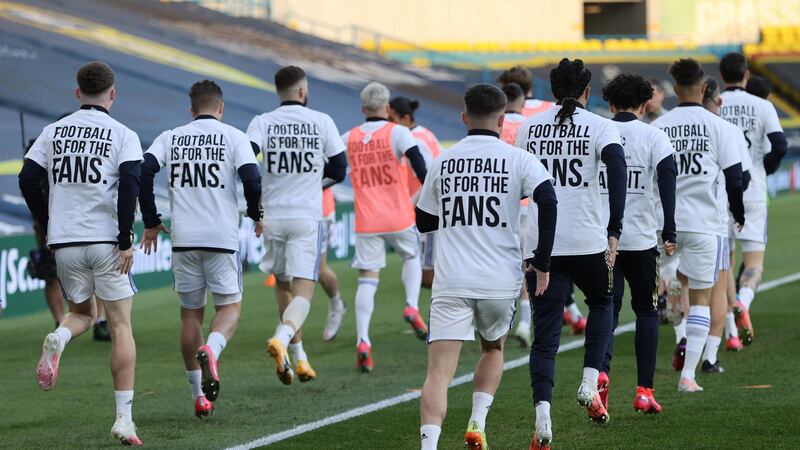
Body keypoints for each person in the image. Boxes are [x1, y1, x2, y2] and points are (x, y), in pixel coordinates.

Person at [416, 83, 556, 450]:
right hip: (499, 281)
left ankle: (428, 446)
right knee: (492, 349)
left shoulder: (443, 161)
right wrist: (541, 259)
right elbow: (548, 197)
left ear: (464, 117)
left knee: (438, 374)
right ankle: (477, 421)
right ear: (502, 118)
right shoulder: (517, 158)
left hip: (452, 281)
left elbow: (423, 221)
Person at [18, 61, 143, 445]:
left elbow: (27, 177)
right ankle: (124, 419)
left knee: (82, 314)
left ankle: (59, 336)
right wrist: (125, 239)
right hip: (105, 241)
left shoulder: (53, 131)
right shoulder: (123, 134)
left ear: (77, 93)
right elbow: (129, 187)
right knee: (120, 325)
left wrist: (49, 220)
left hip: (66, 242)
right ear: (112, 94)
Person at [516, 58, 627, 447]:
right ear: (586, 92)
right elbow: (617, 172)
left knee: (544, 340)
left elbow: (521, 188)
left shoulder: (529, 128)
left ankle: (542, 419)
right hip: (587, 241)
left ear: (550, 91)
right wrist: (614, 231)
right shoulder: (601, 126)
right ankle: (587, 381)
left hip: (542, 246)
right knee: (604, 302)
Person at [138, 80, 263, 417]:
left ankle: (199, 396)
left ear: (191, 109)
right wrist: (256, 214)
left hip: (184, 240)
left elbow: (143, 172)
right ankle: (213, 348)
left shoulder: (171, 137)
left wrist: (150, 220)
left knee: (190, 315)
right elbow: (252, 178)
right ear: (220, 108)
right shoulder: (235, 137)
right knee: (229, 309)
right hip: (221, 238)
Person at [247, 66, 348, 384]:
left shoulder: (262, 122)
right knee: (304, 291)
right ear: (303, 91)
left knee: (283, 286)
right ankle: (282, 336)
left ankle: (300, 355)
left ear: (279, 91)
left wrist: (255, 209)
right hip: (306, 216)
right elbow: (340, 169)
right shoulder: (322, 121)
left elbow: (248, 165)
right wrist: (313, 183)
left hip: (274, 216)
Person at [652, 58, 746, 392]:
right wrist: (739, 213)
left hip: (665, 224)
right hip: (706, 223)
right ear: (704, 88)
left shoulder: (659, 127)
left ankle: (670, 292)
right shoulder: (721, 128)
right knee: (703, 298)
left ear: (675, 89)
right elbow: (735, 179)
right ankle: (688, 375)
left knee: (669, 283)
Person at [599, 73, 678, 413]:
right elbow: (668, 177)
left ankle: (599, 376)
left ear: (611, 104)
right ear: (646, 104)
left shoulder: (597, 131)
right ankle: (644, 390)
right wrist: (669, 229)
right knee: (646, 310)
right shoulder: (653, 135)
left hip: (602, 240)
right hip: (642, 239)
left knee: (607, 310)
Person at [343, 82, 428, 372]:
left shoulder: (349, 137)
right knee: (411, 257)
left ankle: (364, 341)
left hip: (367, 220)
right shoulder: (398, 132)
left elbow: (331, 168)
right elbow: (419, 164)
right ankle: (411, 305)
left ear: (363, 109)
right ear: (388, 108)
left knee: (367, 279)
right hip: (399, 215)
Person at [718, 52, 787, 346]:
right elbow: (780, 144)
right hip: (753, 190)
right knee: (754, 262)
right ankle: (742, 303)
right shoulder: (762, 105)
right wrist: (765, 167)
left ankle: (731, 334)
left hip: (720, 191)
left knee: (725, 262)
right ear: (747, 74)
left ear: (722, 76)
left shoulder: (715, 104)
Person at [699, 77, 752, 372]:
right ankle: (714, 350)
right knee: (720, 282)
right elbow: (741, 178)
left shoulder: (669, 125)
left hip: (670, 219)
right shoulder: (727, 130)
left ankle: (684, 338)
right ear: (717, 101)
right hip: (713, 218)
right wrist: (739, 213)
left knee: (684, 283)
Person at [388, 96, 443, 290]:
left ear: (404, 118)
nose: (388, 124)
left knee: (426, 275)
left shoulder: (415, 141)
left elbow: (428, 180)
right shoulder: (426, 133)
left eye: (391, 119)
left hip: (428, 209)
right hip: (433, 206)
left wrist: (409, 203)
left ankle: (454, 305)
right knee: (422, 269)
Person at [499, 82, 535, 348]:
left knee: (496, 262)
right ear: (523, 101)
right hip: (526, 207)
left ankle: (496, 320)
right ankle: (524, 322)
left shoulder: (495, 127)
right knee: (524, 266)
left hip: (498, 206)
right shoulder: (530, 126)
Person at [320, 187, 348, 341]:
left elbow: (336, 171)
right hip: (292, 211)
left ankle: (337, 305)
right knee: (287, 272)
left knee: (319, 270)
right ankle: (288, 327)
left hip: (320, 211)